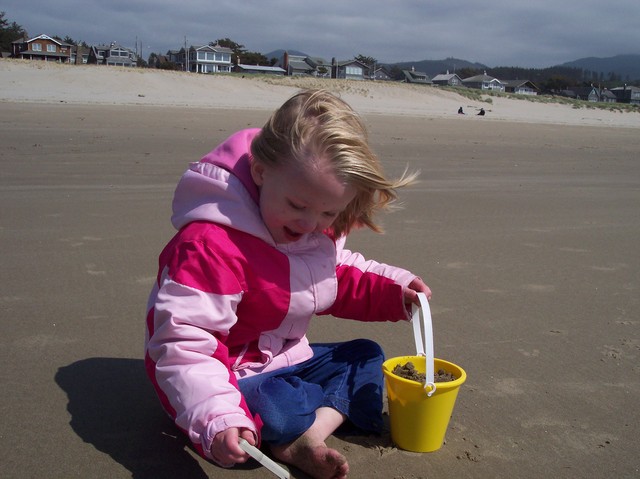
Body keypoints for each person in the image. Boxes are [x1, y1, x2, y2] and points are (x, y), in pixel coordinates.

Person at [144, 89, 431, 479]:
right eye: (297, 206)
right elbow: (184, 346)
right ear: (260, 170)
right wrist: (219, 415)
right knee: (277, 403)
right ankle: (282, 427)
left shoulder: (312, 231)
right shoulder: (211, 246)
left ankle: (307, 436)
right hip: (228, 374)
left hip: (286, 356)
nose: (310, 225)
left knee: (365, 356)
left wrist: (394, 291)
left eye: (329, 212)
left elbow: (335, 276)